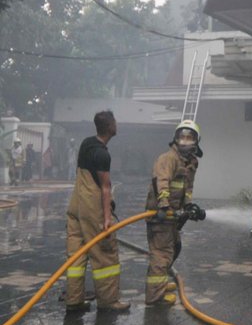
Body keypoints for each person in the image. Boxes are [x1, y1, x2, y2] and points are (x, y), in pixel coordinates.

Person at [65, 110, 130, 313]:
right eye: (115, 122)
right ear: (110, 127)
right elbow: (104, 187)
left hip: (76, 204)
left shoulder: (86, 143)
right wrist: (107, 219)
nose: (117, 125)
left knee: (76, 254)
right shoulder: (103, 154)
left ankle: (74, 300)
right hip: (92, 208)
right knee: (105, 253)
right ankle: (109, 301)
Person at [145, 119, 204, 306]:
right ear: (176, 139)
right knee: (162, 253)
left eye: (189, 138)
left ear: (196, 141)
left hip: (173, 215)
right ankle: (155, 297)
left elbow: (188, 187)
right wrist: (164, 206)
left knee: (174, 248)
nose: (185, 141)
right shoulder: (168, 159)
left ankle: (159, 284)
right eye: (182, 137)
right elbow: (161, 182)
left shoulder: (191, 162)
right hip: (160, 214)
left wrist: (188, 206)